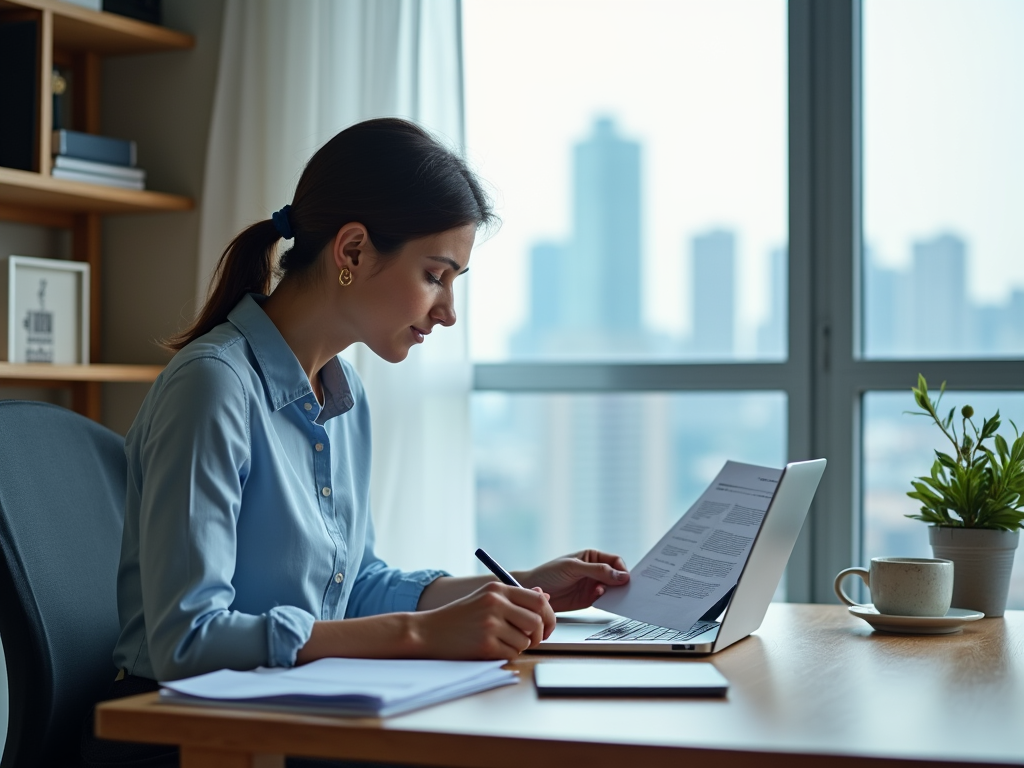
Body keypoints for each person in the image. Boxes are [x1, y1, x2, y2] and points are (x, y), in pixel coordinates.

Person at [81, 118, 629, 767]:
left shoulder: (345, 398)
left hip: (293, 714)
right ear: (352, 252)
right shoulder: (214, 387)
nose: (448, 310)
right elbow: (188, 641)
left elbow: (356, 585)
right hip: (190, 735)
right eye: (435, 275)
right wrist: (420, 634)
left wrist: (513, 588)